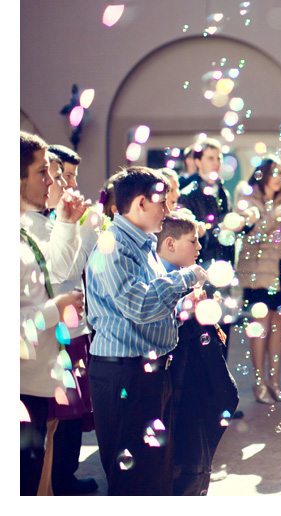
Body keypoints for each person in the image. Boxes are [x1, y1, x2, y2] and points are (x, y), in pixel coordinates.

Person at [86, 166, 208, 495]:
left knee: (152, 474)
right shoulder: (114, 247)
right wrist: (188, 278)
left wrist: (184, 305)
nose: (167, 210)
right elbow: (138, 306)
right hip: (124, 374)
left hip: (149, 370)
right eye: (162, 203)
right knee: (133, 480)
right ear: (141, 203)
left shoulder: (142, 246)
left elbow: (154, 306)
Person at [31, 147, 102, 495]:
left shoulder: (50, 222)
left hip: (72, 325)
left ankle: (63, 477)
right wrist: (81, 229)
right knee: (58, 413)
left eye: (68, 176)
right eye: (58, 176)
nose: (64, 183)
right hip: (52, 332)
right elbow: (64, 273)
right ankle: (58, 481)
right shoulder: (37, 227)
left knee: (70, 413)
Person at [20, 131, 87, 495]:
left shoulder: (30, 228)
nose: (53, 180)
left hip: (38, 379)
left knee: (33, 483)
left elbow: (59, 269)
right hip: (17, 386)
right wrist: (54, 310)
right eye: (42, 172)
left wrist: (65, 221)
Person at [156, 208, 239, 495]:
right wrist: (192, 312)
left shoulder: (185, 279)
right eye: (193, 241)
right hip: (180, 384)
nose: (200, 247)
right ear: (170, 244)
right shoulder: (164, 283)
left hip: (193, 381)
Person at [234, 155, 281, 404]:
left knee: (278, 325)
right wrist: (275, 214)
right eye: (276, 173)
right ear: (263, 174)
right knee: (259, 328)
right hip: (258, 271)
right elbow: (251, 234)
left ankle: (274, 382)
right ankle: (259, 382)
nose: (280, 178)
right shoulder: (247, 198)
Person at [179, 137, 253, 357]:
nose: (216, 162)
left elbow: (224, 227)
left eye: (219, 158)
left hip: (223, 268)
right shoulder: (189, 192)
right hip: (202, 270)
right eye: (211, 158)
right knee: (204, 330)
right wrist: (219, 228)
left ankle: (221, 378)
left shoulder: (223, 191)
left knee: (223, 329)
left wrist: (242, 223)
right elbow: (191, 234)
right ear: (198, 161)